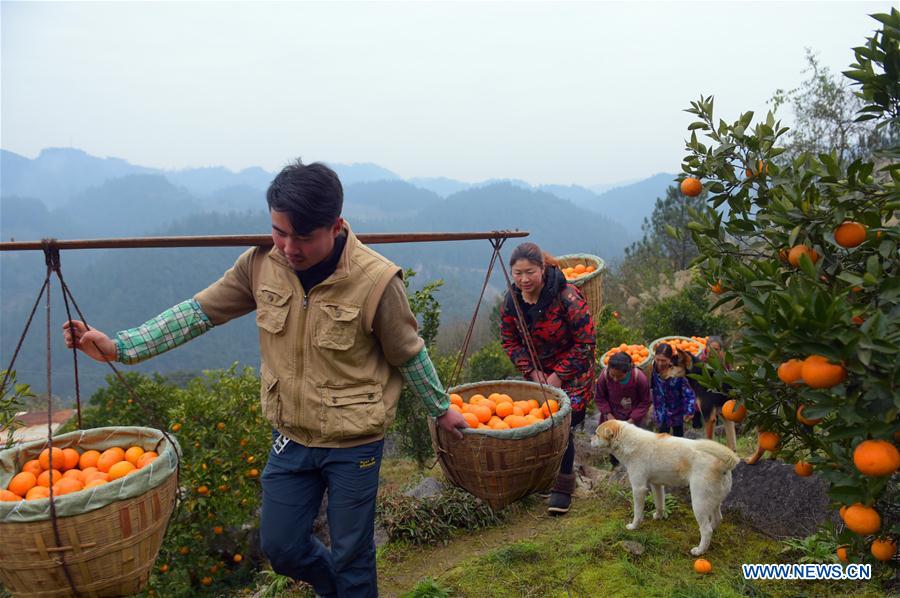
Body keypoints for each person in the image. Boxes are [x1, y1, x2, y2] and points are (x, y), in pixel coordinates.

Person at [62, 159, 467, 598]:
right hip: (290, 435)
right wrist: (121, 347)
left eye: (303, 237)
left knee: (352, 552)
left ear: (336, 226)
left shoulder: (377, 281)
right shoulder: (260, 264)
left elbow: (408, 352)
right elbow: (198, 312)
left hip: (354, 439)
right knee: (283, 547)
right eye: (279, 231)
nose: (289, 247)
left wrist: (440, 409)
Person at [499, 242, 596, 515]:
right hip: (539, 372)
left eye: (530, 272)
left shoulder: (567, 297)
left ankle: (564, 485)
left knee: (561, 424)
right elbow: (509, 340)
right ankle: (545, 477)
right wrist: (532, 371)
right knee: (539, 421)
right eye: (518, 273)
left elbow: (586, 342)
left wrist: (559, 375)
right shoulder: (512, 300)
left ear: (543, 269)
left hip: (574, 372)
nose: (524, 279)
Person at [595, 351, 651, 466]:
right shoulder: (604, 376)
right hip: (612, 415)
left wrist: (632, 420)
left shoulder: (639, 378)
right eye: (612, 375)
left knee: (632, 445)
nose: (615, 379)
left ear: (628, 371)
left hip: (632, 418)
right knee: (613, 444)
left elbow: (645, 401)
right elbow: (600, 397)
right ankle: (615, 465)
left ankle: (632, 466)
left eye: (619, 376)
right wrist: (608, 415)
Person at [689, 336, 737, 451]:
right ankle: (710, 447)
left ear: (720, 350)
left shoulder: (724, 359)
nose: (713, 352)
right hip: (706, 394)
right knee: (708, 419)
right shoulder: (700, 360)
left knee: (727, 417)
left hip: (723, 393)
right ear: (706, 347)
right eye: (711, 348)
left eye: (716, 349)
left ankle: (732, 448)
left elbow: (730, 373)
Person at [650, 342, 697, 437]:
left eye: (663, 360)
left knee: (678, 435)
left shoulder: (677, 371)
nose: (660, 363)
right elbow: (651, 386)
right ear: (654, 357)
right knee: (662, 435)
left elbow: (688, 393)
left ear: (670, 359)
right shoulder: (652, 369)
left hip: (676, 409)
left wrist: (689, 410)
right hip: (661, 409)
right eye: (658, 359)